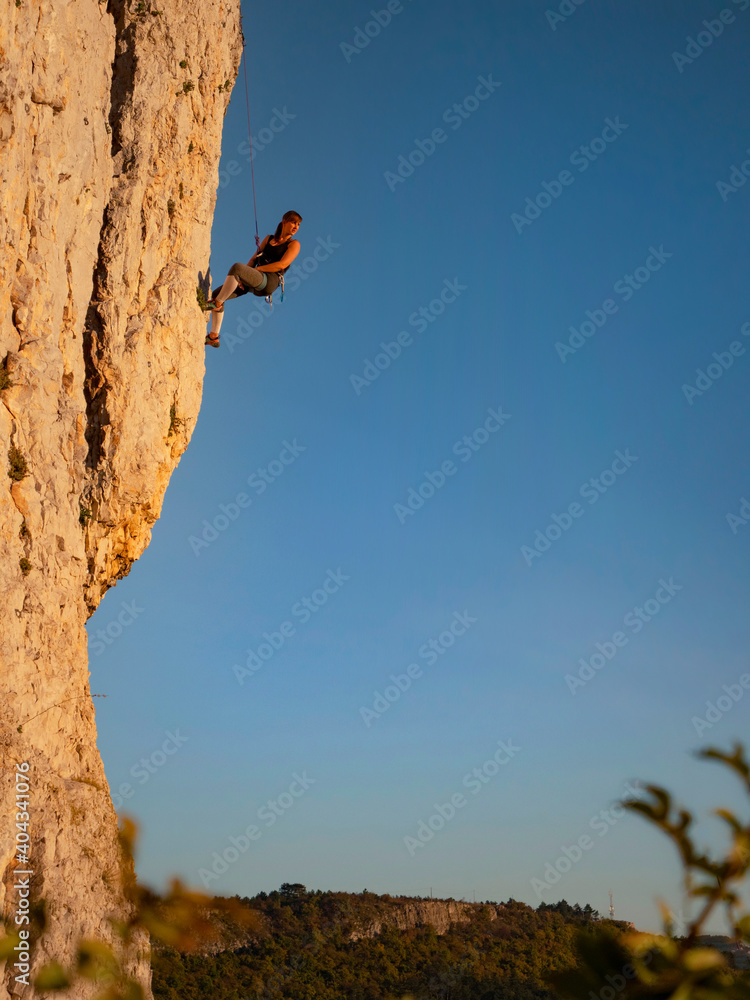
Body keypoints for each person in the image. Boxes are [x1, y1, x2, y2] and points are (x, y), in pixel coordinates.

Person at [205, 210, 302, 348]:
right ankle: (213, 337)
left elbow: (282, 264)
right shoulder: (269, 239)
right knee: (217, 294)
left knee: (237, 268)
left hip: (269, 281)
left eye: (298, 224)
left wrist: (255, 270)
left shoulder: (293, 244)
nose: (296, 227)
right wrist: (242, 278)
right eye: (293, 222)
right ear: (284, 221)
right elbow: (253, 259)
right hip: (255, 277)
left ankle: (217, 303)